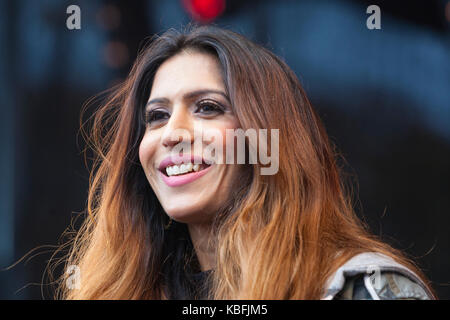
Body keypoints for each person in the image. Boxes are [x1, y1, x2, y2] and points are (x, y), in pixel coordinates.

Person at [59, 25, 436, 300]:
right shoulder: (115, 288)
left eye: (207, 108)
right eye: (156, 115)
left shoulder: (360, 287)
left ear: (267, 141)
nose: (171, 133)